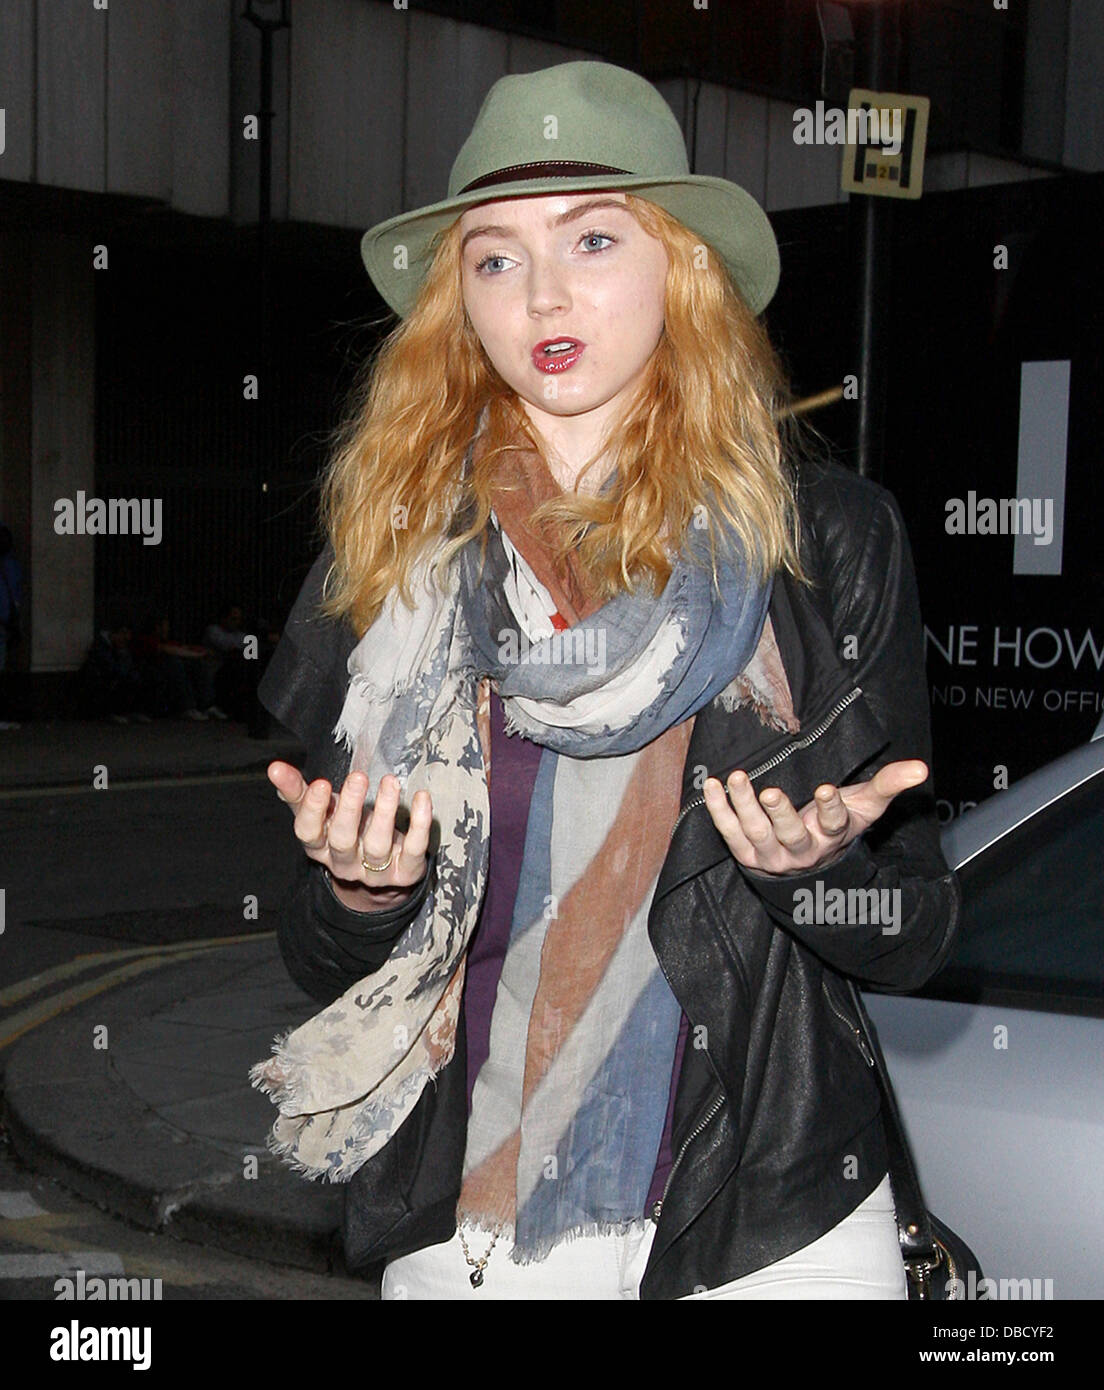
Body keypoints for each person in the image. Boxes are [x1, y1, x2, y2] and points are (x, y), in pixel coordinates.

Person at [254, 61, 961, 1301]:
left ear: (680, 267)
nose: (543, 292)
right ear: (457, 302)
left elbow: (911, 935)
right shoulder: (393, 565)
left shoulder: (822, 540)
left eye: (593, 236)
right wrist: (366, 896)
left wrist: (826, 872)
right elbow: (322, 958)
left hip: (765, 1214)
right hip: (473, 1219)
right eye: (494, 257)